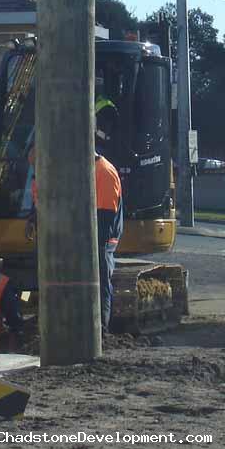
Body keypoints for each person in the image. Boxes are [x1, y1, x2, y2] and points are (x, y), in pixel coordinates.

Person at [94, 131, 123, 332]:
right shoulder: (92, 170)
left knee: (101, 280)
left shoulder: (103, 172)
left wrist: (96, 243)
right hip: (94, 236)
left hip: (103, 239)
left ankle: (103, 328)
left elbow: (105, 216)